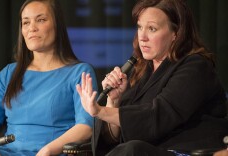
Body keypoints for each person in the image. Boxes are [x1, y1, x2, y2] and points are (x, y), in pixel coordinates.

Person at [76, 0, 228, 155]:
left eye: (152, 29)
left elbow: (157, 116)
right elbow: (116, 138)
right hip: (150, 151)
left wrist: (100, 111)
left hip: (185, 151)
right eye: (140, 27)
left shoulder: (196, 66)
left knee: (132, 150)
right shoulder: (143, 69)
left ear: (176, 33)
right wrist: (113, 101)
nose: (142, 37)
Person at [0, 0, 98, 155]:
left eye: (41, 20)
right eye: (26, 22)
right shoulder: (9, 73)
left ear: (57, 25)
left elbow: (86, 126)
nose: (32, 28)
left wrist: (48, 150)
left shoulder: (79, 72)